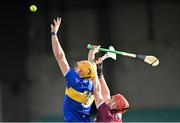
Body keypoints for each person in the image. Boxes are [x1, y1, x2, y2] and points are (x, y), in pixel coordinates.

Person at [51, 17, 96, 122]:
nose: (75, 67)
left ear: (80, 72)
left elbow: (60, 57)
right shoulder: (91, 83)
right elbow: (92, 68)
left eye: (77, 67)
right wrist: (92, 52)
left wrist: (54, 35)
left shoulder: (74, 81)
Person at [88, 45, 130, 122]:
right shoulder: (117, 113)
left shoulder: (106, 113)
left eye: (112, 98)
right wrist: (100, 73)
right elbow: (106, 96)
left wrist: (92, 56)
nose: (111, 97)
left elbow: (97, 89)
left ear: (114, 105)